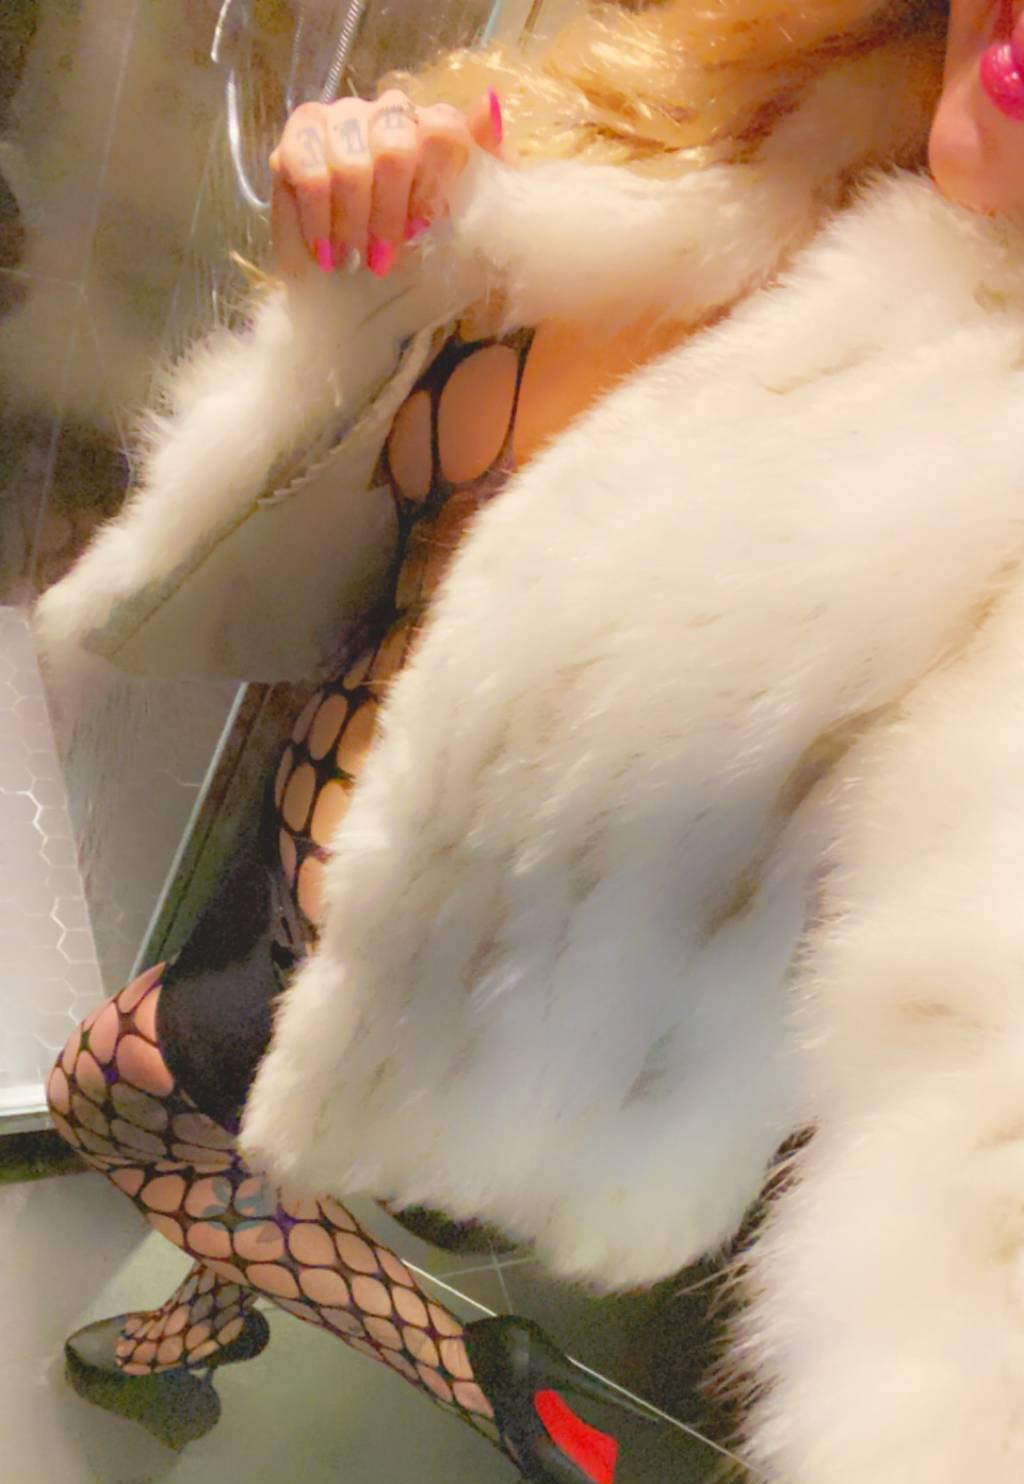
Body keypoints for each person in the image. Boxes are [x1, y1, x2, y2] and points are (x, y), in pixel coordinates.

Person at [39, 0, 1008, 1479]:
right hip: (308, 819)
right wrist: (355, 260)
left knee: (108, 1098)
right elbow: (375, 501)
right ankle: (204, 1319)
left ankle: (478, 1371)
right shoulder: (735, 109)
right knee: (234, 1176)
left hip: (419, 1008)